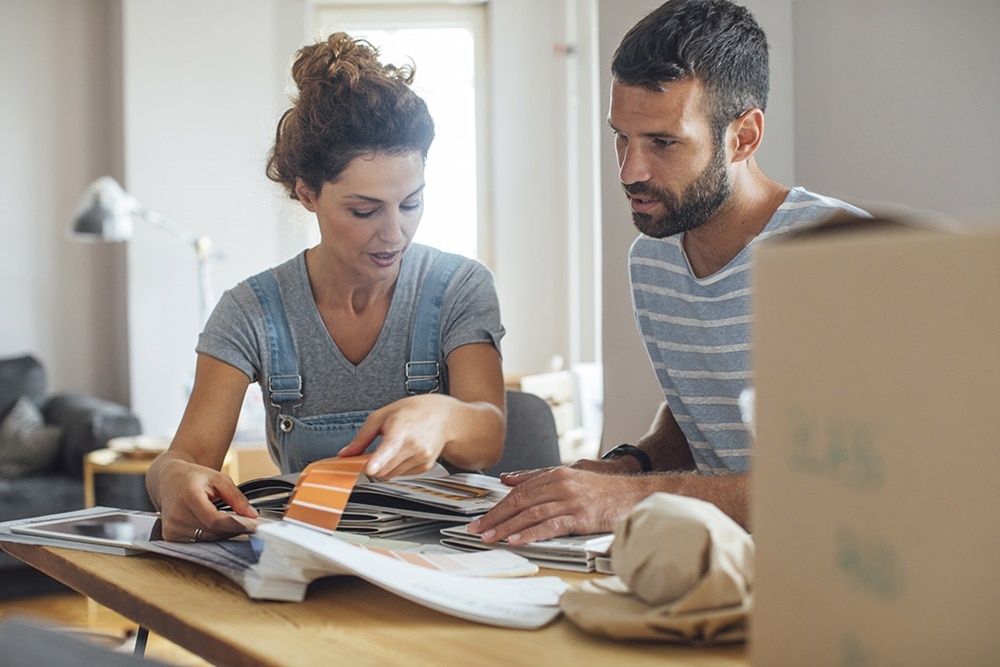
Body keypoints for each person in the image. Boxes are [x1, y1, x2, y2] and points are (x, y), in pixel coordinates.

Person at [469, 0, 868, 546]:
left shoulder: (849, 254)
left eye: (662, 142)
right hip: (725, 564)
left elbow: (847, 485)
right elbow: (705, 414)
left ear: (743, 137)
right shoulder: (653, 261)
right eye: (621, 136)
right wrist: (627, 467)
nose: (630, 170)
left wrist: (631, 499)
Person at [147, 33, 506, 543]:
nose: (394, 233)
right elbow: (183, 458)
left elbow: (486, 438)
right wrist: (172, 480)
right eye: (364, 211)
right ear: (307, 194)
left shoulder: (459, 287)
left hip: (440, 558)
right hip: (311, 559)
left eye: (411, 204)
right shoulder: (250, 312)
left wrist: (446, 416)